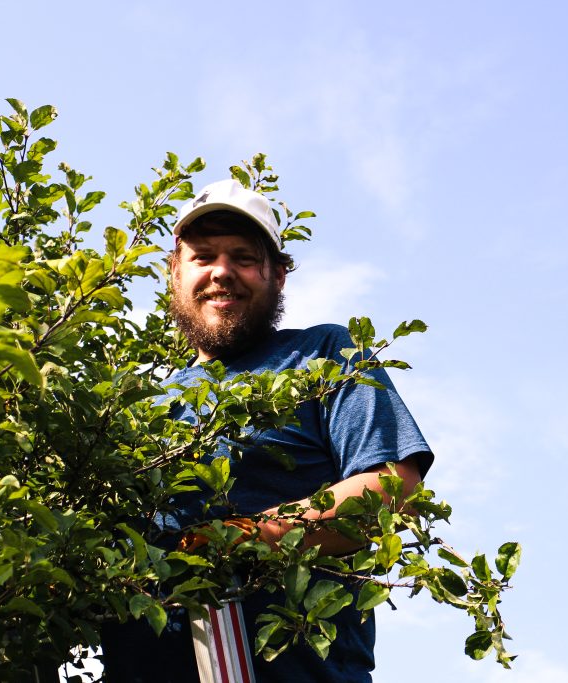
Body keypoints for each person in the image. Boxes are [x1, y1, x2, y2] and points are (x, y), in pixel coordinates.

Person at [99, 179, 433, 682]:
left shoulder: (324, 356)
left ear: (278, 274)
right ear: (174, 271)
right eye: (203, 255)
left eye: (243, 257)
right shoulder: (137, 408)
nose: (221, 272)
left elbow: (391, 485)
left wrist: (239, 537)